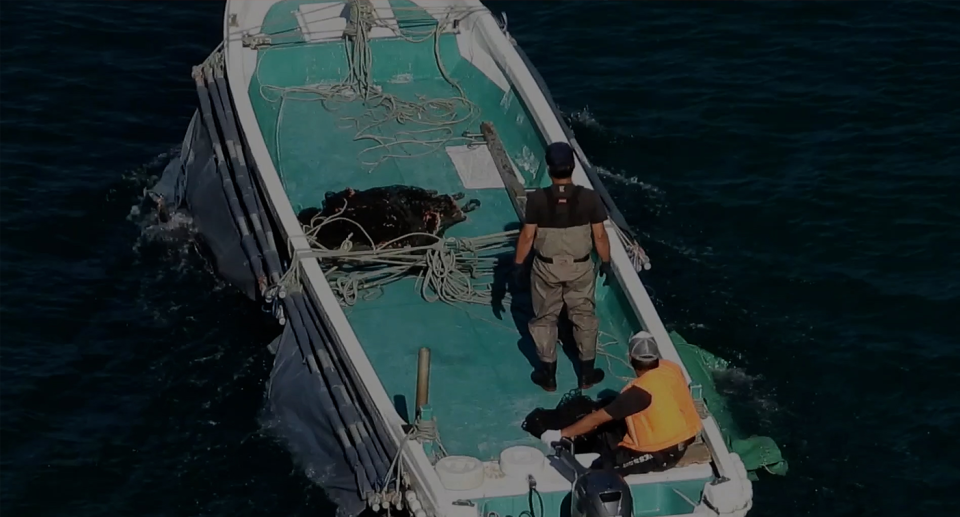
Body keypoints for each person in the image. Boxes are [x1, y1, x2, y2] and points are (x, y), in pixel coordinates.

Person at [513, 141, 613, 392]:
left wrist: (518, 265)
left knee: (545, 318)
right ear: (573, 167)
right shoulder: (590, 198)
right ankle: (587, 374)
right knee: (583, 317)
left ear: (548, 169)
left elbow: (527, 237)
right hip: (580, 268)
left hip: (546, 268)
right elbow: (600, 236)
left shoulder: (536, 199)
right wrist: (607, 263)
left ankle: (548, 375)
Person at [538, 332, 703, 476]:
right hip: (686, 437)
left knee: (600, 468)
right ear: (656, 356)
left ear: (630, 358)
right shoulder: (671, 368)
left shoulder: (639, 393)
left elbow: (596, 419)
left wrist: (561, 434)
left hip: (663, 453)